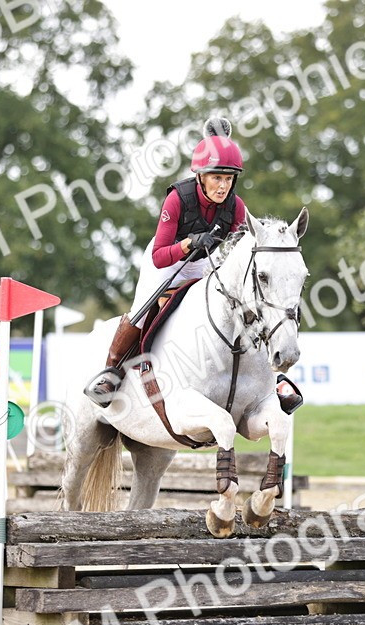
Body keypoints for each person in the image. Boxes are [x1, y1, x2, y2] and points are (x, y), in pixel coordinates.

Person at [83, 117, 303, 415]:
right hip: (166, 262)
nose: (223, 186)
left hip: (202, 265)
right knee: (142, 309)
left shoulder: (235, 207)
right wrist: (189, 244)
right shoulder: (177, 199)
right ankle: (111, 374)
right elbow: (160, 255)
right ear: (201, 176)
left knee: (242, 305)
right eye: (216, 178)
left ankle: (271, 378)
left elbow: (245, 241)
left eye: (229, 179)